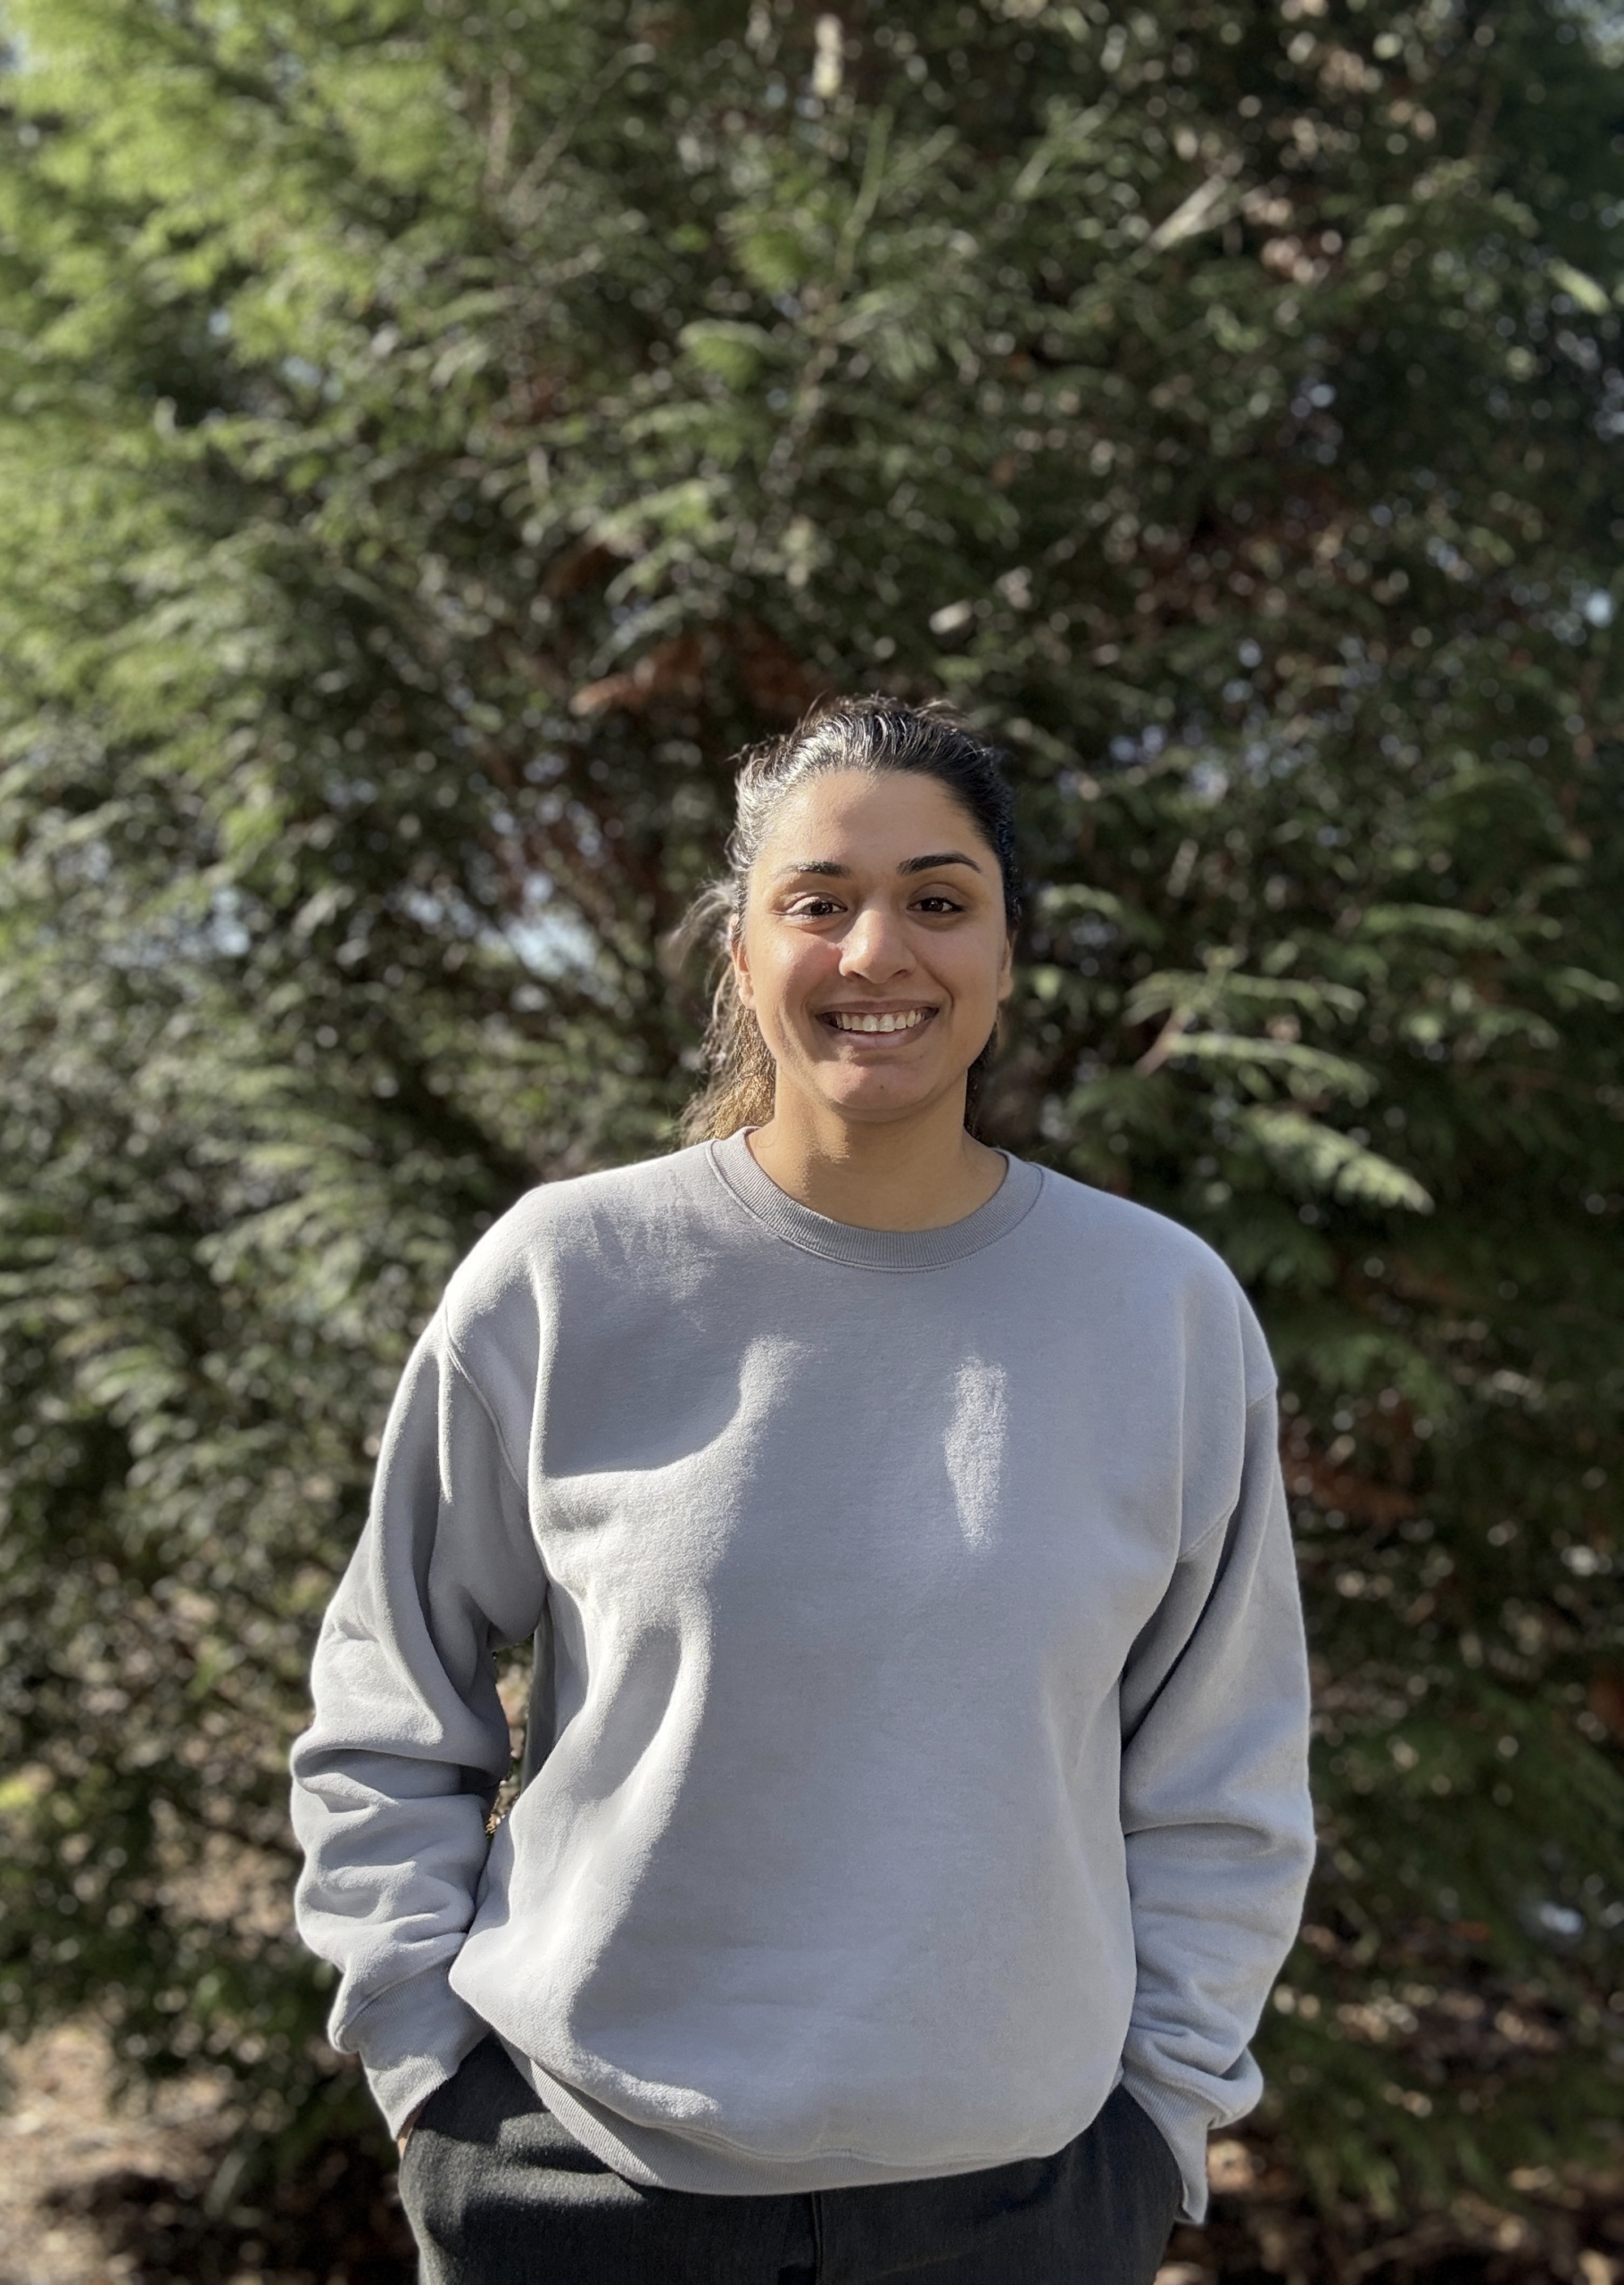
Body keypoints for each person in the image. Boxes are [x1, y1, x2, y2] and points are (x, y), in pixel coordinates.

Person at [289, 695, 1316, 2285]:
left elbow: (1223, 1776)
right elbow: (388, 1706)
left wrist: (1155, 2119)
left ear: (1005, 951)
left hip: (1026, 2210)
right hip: (572, 2191)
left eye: (937, 899)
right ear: (743, 949)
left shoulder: (1160, 1313)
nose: (874, 954)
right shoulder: (566, 1279)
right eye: (817, 903)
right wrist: (431, 2077)